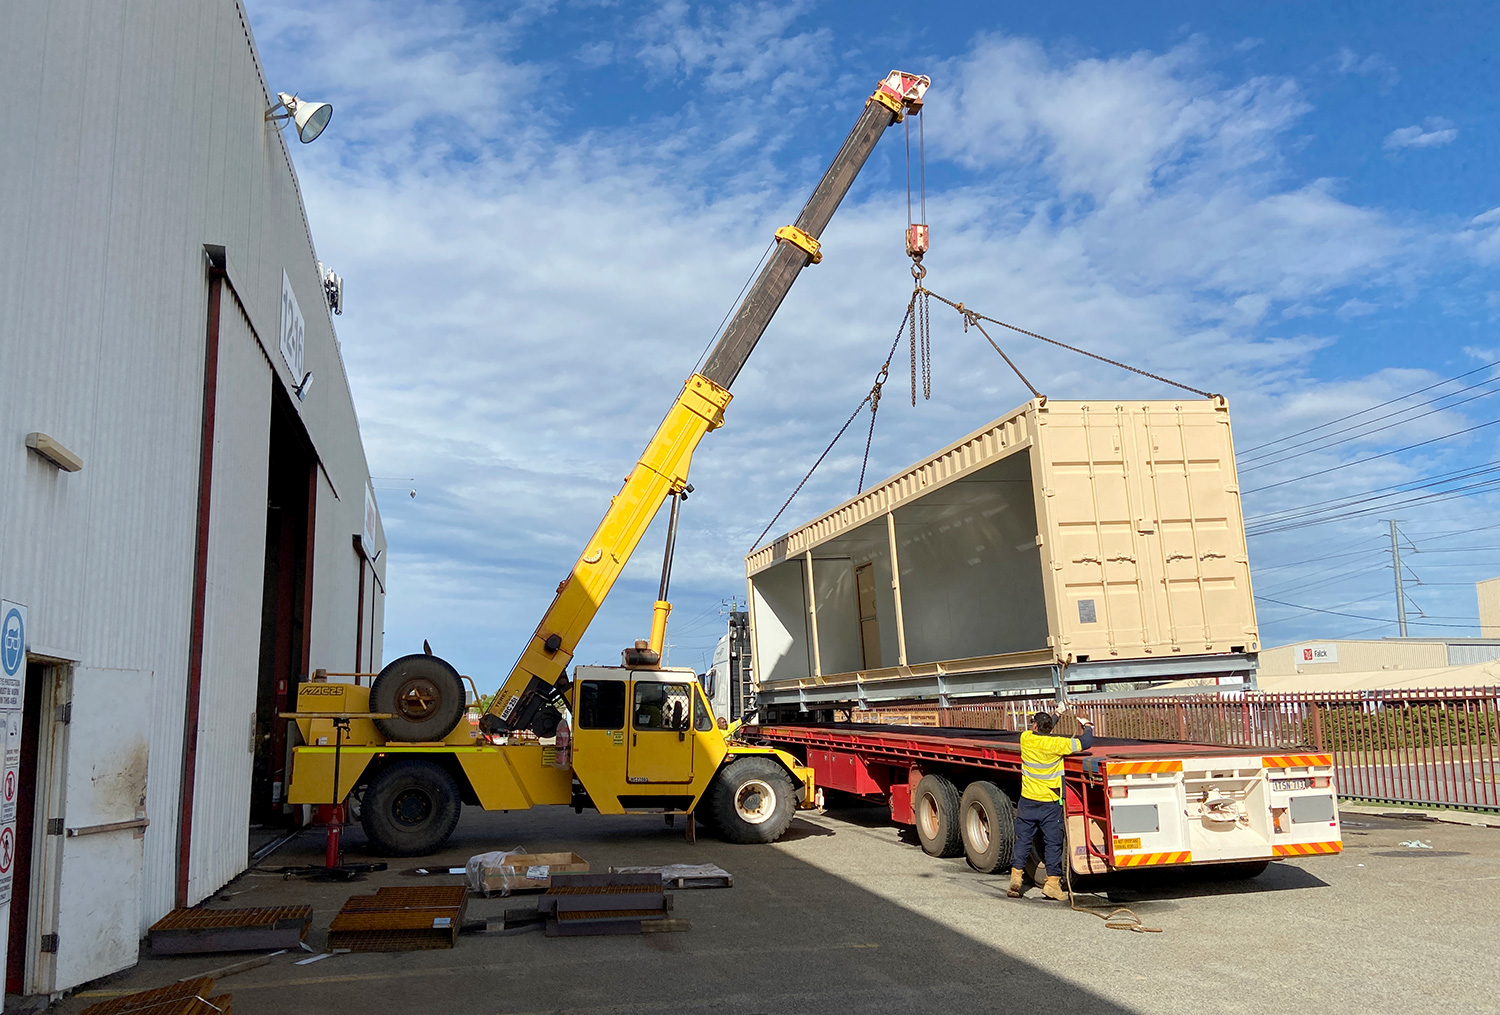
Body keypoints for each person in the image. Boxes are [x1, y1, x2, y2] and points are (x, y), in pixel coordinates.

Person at [1009, 711, 1093, 900]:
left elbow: (1042, 728)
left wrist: (1057, 713)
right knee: (1053, 843)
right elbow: (1086, 742)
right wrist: (1087, 725)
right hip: (1050, 803)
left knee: (1023, 840)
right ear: (1049, 729)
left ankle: (1016, 877)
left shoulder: (1026, 739)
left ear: (1035, 726)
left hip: (1028, 800)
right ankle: (1052, 884)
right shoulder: (1058, 744)